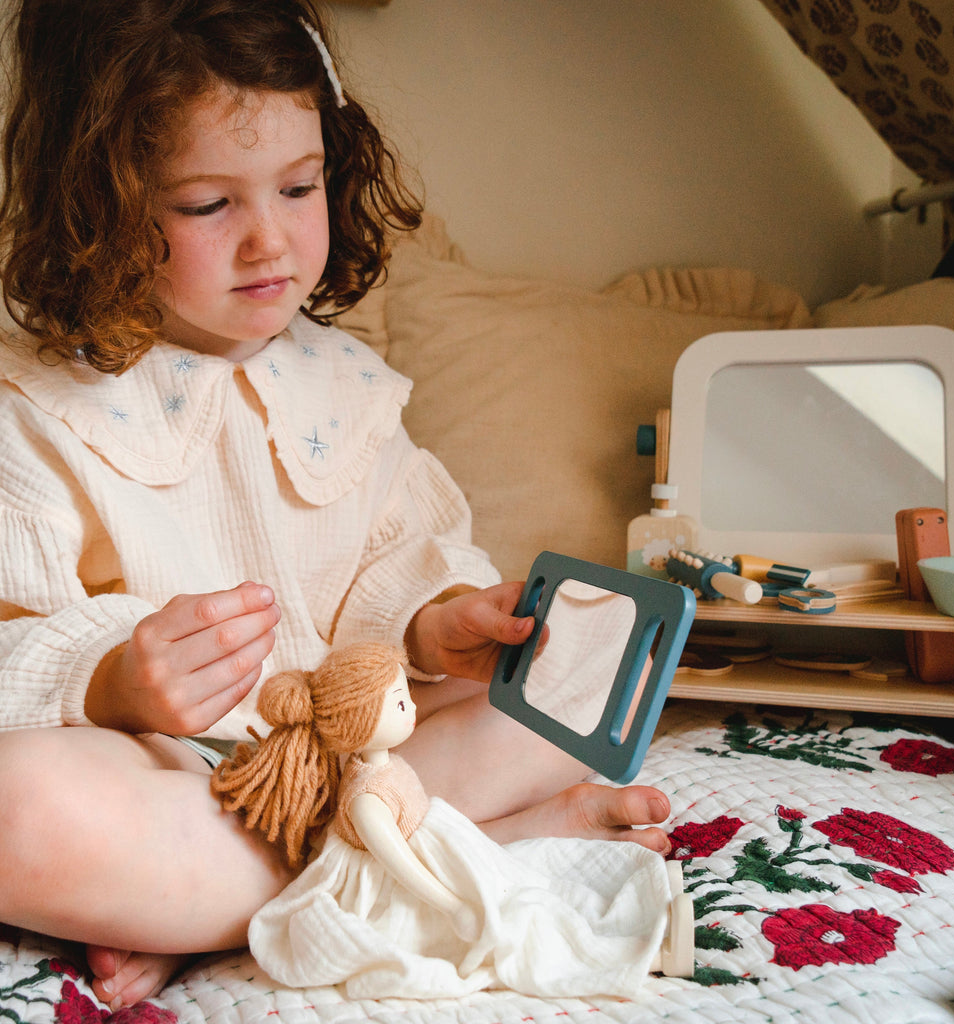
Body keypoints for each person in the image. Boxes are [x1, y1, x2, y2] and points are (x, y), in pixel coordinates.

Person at [0, 0, 674, 1012]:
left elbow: (399, 559)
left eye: (299, 186)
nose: (269, 239)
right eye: (206, 204)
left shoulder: (344, 384)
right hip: (187, 779)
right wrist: (111, 682)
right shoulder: (36, 402)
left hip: (365, 749)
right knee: (15, 806)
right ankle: (449, 848)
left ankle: (214, 910)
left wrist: (439, 623)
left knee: (602, 655)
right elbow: (12, 636)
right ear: (98, 200)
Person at [216, 643, 692, 998]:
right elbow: (397, 864)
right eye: (400, 703)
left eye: (406, 698)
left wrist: (429, 634)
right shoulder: (364, 799)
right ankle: (514, 837)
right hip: (397, 846)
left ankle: (495, 832)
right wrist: (450, 903)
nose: (410, 707)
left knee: (620, 659)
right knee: (506, 915)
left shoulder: (378, 766)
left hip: (425, 806)